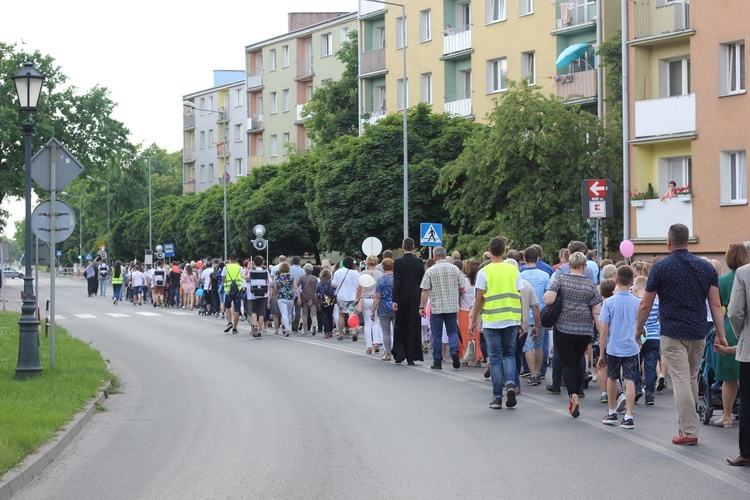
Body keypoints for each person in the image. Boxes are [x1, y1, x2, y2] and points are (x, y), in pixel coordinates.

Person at [636, 224, 728, 445]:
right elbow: (716, 305)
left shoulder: (660, 268)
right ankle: (684, 426)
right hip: (698, 331)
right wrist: (721, 335)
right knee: (691, 377)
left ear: (668, 241)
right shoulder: (706, 268)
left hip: (672, 331)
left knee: (680, 380)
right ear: (688, 241)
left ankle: (688, 431)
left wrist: (639, 329)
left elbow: (645, 305)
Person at [543, 252, 602, 418]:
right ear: (584, 266)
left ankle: (573, 395)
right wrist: (603, 332)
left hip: (563, 328)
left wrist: (548, 294)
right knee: (577, 360)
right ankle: (579, 389)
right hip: (584, 330)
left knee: (567, 363)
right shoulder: (590, 284)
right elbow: (596, 312)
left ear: (569, 265)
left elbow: (548, 299)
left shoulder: (561, 279)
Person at [470, 236, 522, 409]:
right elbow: (519, 296)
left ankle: (497, 397)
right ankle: (510, 384)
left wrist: (473, 320)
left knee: (495, 357)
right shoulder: (513, 270)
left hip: (492, 321)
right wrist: (521, 319)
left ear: (490, 250)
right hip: (511, 318)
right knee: (509, 354)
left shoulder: (484, 272)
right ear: (505, 250)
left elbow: (479, 300)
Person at [598, 265, 641, 429]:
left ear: (616, 280)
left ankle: (612, 411)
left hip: (613, 347)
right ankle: (629, 415)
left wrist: (601, 353)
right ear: (632, 282)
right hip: (631, 346)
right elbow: (639, 323)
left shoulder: (608, 302)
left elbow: (604, 330)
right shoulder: (637, 302)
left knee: (612, 378)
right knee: (630, 380)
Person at [714, 243, 750, 427]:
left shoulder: (722, 281)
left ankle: (726, 414)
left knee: (729, 375)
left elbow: (719, 308)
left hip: (730, 325)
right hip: (747, 325)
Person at [419, 247, 465, 370]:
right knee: (452, 331)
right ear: (445, 256)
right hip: (452, 306)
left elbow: (425, 290)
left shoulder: (430, 271)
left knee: (437, 334)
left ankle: (437, 361)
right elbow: (462, 287)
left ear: (434, 257)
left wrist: (421, 307)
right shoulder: (455, 269)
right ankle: (454, 350)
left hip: (437, 307)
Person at [726, 259, 750, 466]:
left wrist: (741, 335)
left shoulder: (744, 273)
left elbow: (735, 312)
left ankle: (747, 453)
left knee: (748, 400)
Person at [392, 238, 425, 365]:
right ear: (414, 246)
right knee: (413, 325)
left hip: (402, 295)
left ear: (402, 246)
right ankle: (412, 355)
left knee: (400, 324)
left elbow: (397, 282)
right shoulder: (418, 262)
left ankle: (400, 354)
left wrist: (395, 299)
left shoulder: (398, 262)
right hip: (416, 295)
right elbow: (422, 281)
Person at [521, 246, 549, 385]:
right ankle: (538, 372)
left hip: (525, 315)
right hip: (541, 314)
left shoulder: (520, 276)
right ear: (538, 258)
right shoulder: (544, 275)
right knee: (539, 345)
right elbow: (548, 296)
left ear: (524, 259)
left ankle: (532, 373)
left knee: (527, 346)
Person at [632, 276, 660, 405]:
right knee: (650, 366)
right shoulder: (655, 302)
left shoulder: (635, 303)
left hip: (638, 336)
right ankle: (649, 394)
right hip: (654, 336)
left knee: (635, 364)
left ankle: (637, 387)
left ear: (636, 289)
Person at [357, 255, 383, 353]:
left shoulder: (363, 273)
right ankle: (376, 342)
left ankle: (369, 346)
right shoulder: (380, 274)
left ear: (367, 263)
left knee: (368, 323)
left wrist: (357, 300)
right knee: (376, 321)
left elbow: (359, 288)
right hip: (376, 299)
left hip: (366, 299)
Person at [332, 257, 360, 341]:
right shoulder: (356, 273)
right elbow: (358, 285)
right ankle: (354, 331)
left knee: (341, 315)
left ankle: (341, 333)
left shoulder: (338, 272)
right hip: (352, 296)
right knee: (351, 314)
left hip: (341, 296)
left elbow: (333, 284)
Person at [372, 258, 395, 361]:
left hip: (383, 308)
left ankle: (388, 353)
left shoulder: (381, 279)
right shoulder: (397, 278)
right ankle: (397, 352)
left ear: (383, 267)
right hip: (396, 307)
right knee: (396, 331)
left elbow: (377, 296)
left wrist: (372, 310)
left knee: (386, 332)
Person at [271, 261, 301, 337]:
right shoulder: (291, 277)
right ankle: (288, 327)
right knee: (289, 313)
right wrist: (299, 297)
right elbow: (296, 287)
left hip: (281, 297)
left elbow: (275, 289)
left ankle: (287, 329)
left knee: (284, 313)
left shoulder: (277, 277)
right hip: (290, 297)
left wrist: (274, 296)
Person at [248, 256, 269, 338]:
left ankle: (254, 325)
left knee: (254, 311)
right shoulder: (266, 271)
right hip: (263, 293)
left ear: (254, 263)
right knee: (261, 313)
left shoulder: (251, 271)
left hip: (254, 293)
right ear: (262, 262)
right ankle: (259, 331)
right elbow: (267, 280)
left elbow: (249, 280)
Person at [222, 253, 244, 334]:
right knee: (237, 309)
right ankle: (235, 328)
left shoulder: (226, 268)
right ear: (236, 259)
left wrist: (225, 285)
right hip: (238, 290)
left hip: (228, 290)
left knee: (227, 306)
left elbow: (223, 278)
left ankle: (229, 322)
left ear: (229, 258)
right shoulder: (240, 268)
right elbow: (242, 277)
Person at [297, 263, 319, 335]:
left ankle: (305, 329)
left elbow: (296, 286)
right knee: (313, 314)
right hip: (312, 297)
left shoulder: (302, 278)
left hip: (304, 297)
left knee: (304, 314)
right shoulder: (315, 278)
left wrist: (299, 294)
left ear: (305, 270)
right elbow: (316, 290)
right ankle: (314, 325)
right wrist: (313, 298)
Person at [316, 269, 336, 338]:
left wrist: (317, 301)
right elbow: (334, 292)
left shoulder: (319, 284)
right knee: (330, 316)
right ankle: (330, 331)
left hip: (323, 302)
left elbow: (316, 293)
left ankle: (326, 332)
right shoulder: (331, 283)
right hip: (331, 302)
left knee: (324, 317)